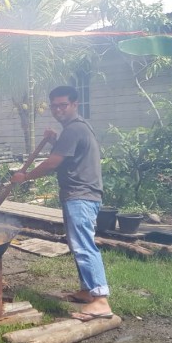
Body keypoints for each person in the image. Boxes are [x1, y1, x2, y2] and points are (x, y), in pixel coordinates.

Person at [10, 86, 113, 322]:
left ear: (75, 104)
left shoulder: (74, 129)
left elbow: (52, 163)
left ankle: (100, 300)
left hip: (81, 196)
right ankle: (88, 291)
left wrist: (24, 177)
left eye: (63, 105)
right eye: (54, 106)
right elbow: (67, 155)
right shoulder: (75, 129)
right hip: (81, 195)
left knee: (84, 246)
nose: (58, 110)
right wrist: (53, 141)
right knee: (78, 244)